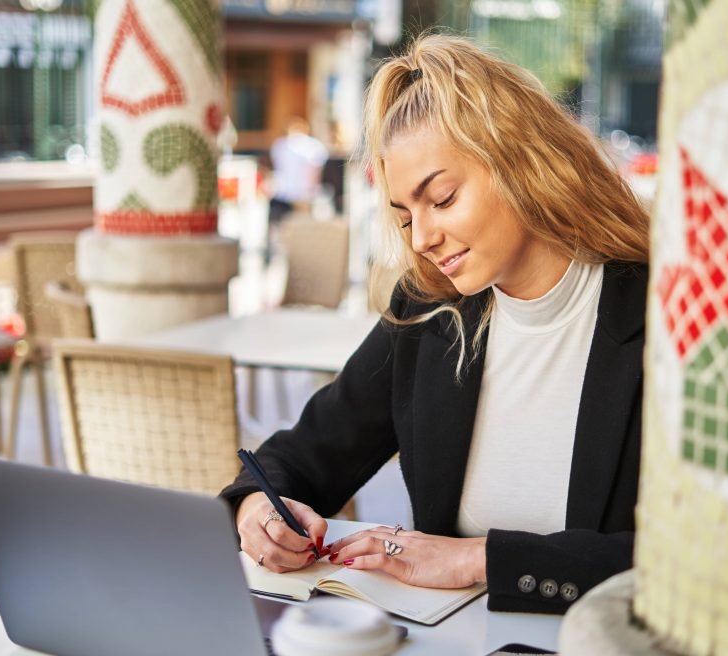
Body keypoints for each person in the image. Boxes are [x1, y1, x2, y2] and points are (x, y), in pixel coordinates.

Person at [220, 33, 650, 615]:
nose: (422, 239)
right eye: (405, 216)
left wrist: (479, 559)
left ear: (521, 162)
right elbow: (300, 457)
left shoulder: (659, 316)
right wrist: (257, 510)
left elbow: (702, 557)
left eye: (441, 199)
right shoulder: (430, 312)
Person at [267, 116, 329, 226]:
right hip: (303, 195)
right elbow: (313, 172)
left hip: (282, 192)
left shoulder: (279, 145)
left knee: (280, 227)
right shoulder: (313, 146)